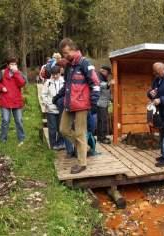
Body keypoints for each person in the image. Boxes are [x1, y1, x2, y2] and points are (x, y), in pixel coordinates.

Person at [57, 38, 100, 174]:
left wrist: (93, 103)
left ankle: (82, 163)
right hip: (69, 103)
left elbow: (95, 83)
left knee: (80, 132)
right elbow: (67, 85)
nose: (65, 56)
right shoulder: (69, 66)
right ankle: (84, 146)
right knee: (63, 129)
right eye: (63, 53)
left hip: (82, 104)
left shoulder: (84, 63)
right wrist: (58, 96)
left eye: (66, 52)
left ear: (74, 49)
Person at [0, 57, 26, 146]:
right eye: (11, 64)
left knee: (19, 120)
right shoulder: (2, 73)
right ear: (8, 65)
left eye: (15, 64)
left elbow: (22, 83)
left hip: (16, 101)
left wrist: (16, 73)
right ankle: (3, 139)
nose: (13, 66)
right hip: (5, 100)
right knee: (5, 120)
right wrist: (1, 87)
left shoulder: (19, 73)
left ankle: (21, 139)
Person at [41, 66, 65, 150]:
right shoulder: (48, 83)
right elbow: (43, 94)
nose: (55, 76)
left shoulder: (64, 82)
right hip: (51, 109)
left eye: (56, 74)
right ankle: (53, 145)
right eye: (53, 74)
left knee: (61, 128)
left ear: (60, 73)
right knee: (52, 129)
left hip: (61, 109)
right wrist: (47, 103)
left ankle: (61, 143)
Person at [97, 65, 112, 144]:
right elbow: (100, 84)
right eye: (108, 73)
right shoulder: (99, 76)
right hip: (101, 103)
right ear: (104, 71)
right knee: (103, 121)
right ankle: (102, 138)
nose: (108, 74)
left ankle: (101, 137)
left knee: (102, 120)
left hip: (103, 102)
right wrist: (109, 84)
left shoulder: (103, 77)